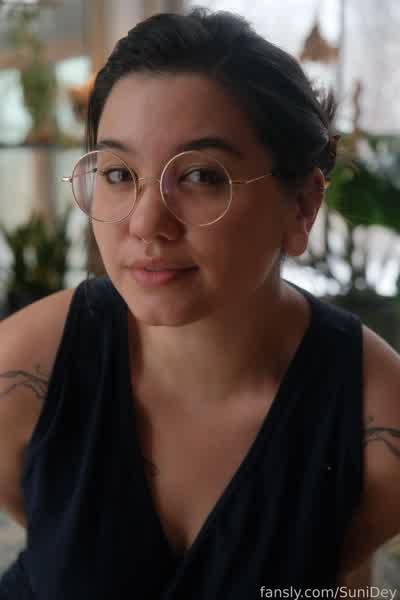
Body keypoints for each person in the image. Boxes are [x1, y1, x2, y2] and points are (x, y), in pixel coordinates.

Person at [0, 7, 399, 599]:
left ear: (301, 207)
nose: (145, 223)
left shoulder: (377, 425)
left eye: (201, 176)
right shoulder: (21, 375)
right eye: (118, 173)